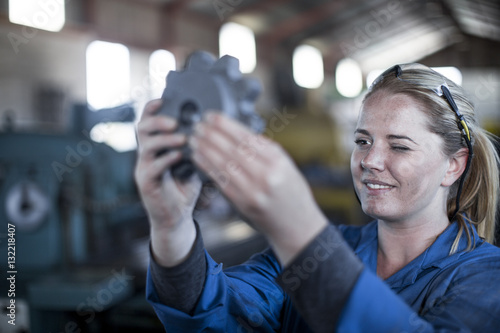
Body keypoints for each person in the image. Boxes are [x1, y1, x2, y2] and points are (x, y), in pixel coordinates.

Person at [135, 63, 500, 332]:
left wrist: (299, 229)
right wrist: (172, 224)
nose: (369, 161)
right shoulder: (327, 249)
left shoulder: (486, 277)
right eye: (362, 141)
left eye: (400, 146)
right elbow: (214, 315)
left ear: (453, 166)